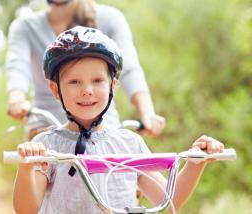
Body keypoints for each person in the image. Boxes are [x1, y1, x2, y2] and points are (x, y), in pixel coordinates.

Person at [12, 26, 225, 214]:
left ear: (113, 85)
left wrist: (196, 162)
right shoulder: (47, 146)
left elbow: (169, 201)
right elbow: (26, 210)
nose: (87, 90)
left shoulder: (130, 144)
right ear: (55, 89)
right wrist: (26, 167)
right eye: (74, 81)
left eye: (97, 80)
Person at [6, 0, 165, 137]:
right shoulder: (26, 26)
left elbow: (129, 68)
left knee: (120, 164)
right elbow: (18, 66)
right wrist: (16, 99)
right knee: (39, 162)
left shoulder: (109, 19)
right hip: (46, 124)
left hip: (101, 122)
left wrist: (147, 114)